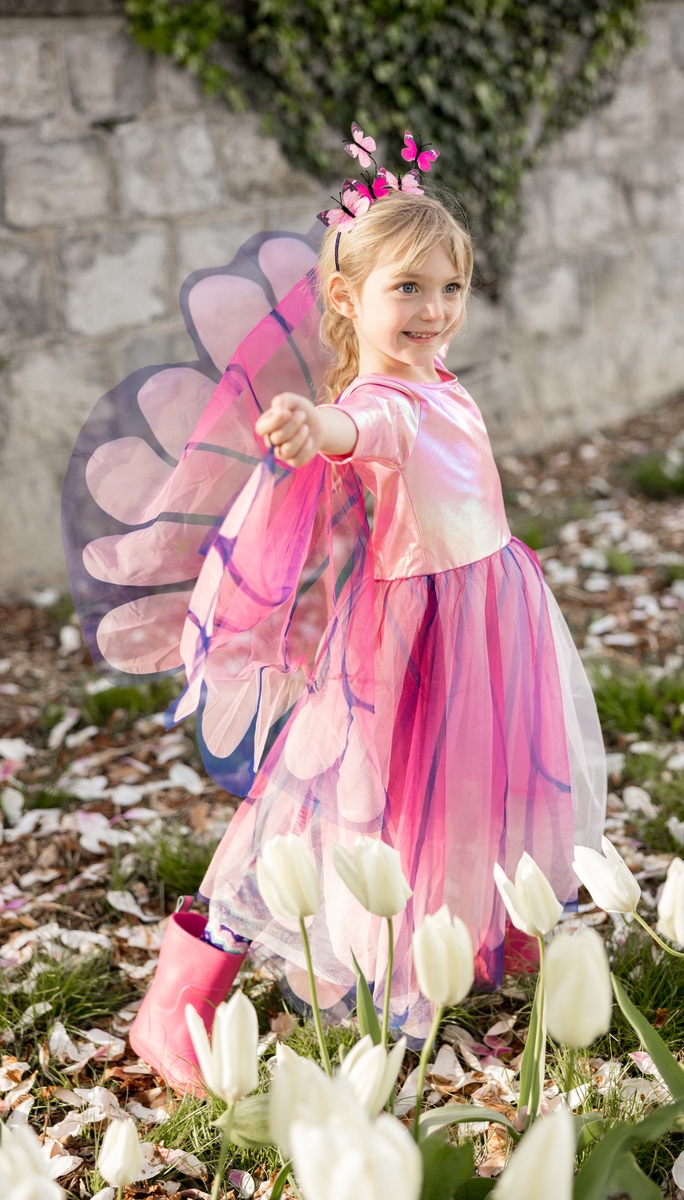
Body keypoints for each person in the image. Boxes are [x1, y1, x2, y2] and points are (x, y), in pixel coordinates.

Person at [62, 128, 606, 1092]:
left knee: (466, 791)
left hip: (484, 620)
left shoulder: (437, 380)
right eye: (408, 289)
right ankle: (179, 996)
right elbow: (362, 431)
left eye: (449, 289)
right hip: (409, 642)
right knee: (322, 814)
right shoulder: (379, 398)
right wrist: (318, 428)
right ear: (349, 298)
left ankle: (481, 930)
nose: (434, 309)